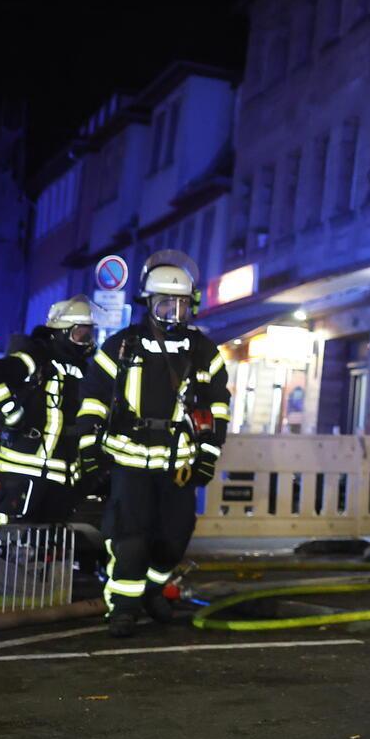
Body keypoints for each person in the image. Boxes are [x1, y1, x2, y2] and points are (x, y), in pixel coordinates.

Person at [77, 251, 231, 637]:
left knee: (174, 538)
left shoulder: (204, 352)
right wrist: (90, 448)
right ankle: (123, 608)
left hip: (179, 465)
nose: (172, 312)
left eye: (180, 304)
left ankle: (151, 590)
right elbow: (93, 396)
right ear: (149, 304)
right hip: (130, 463)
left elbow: (218, 407)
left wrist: (208, 456)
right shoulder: (123, 346)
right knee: (129, 540)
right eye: (164, 303)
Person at [0, 297, 99, 526]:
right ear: (61, 331)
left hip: (63, 475)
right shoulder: (34, 357)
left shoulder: (84, 370)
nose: (86, 341)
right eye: (80, 334)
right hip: (24, 470)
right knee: (14, 545)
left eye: (89, 333)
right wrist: (11, 411)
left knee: (50, 545)